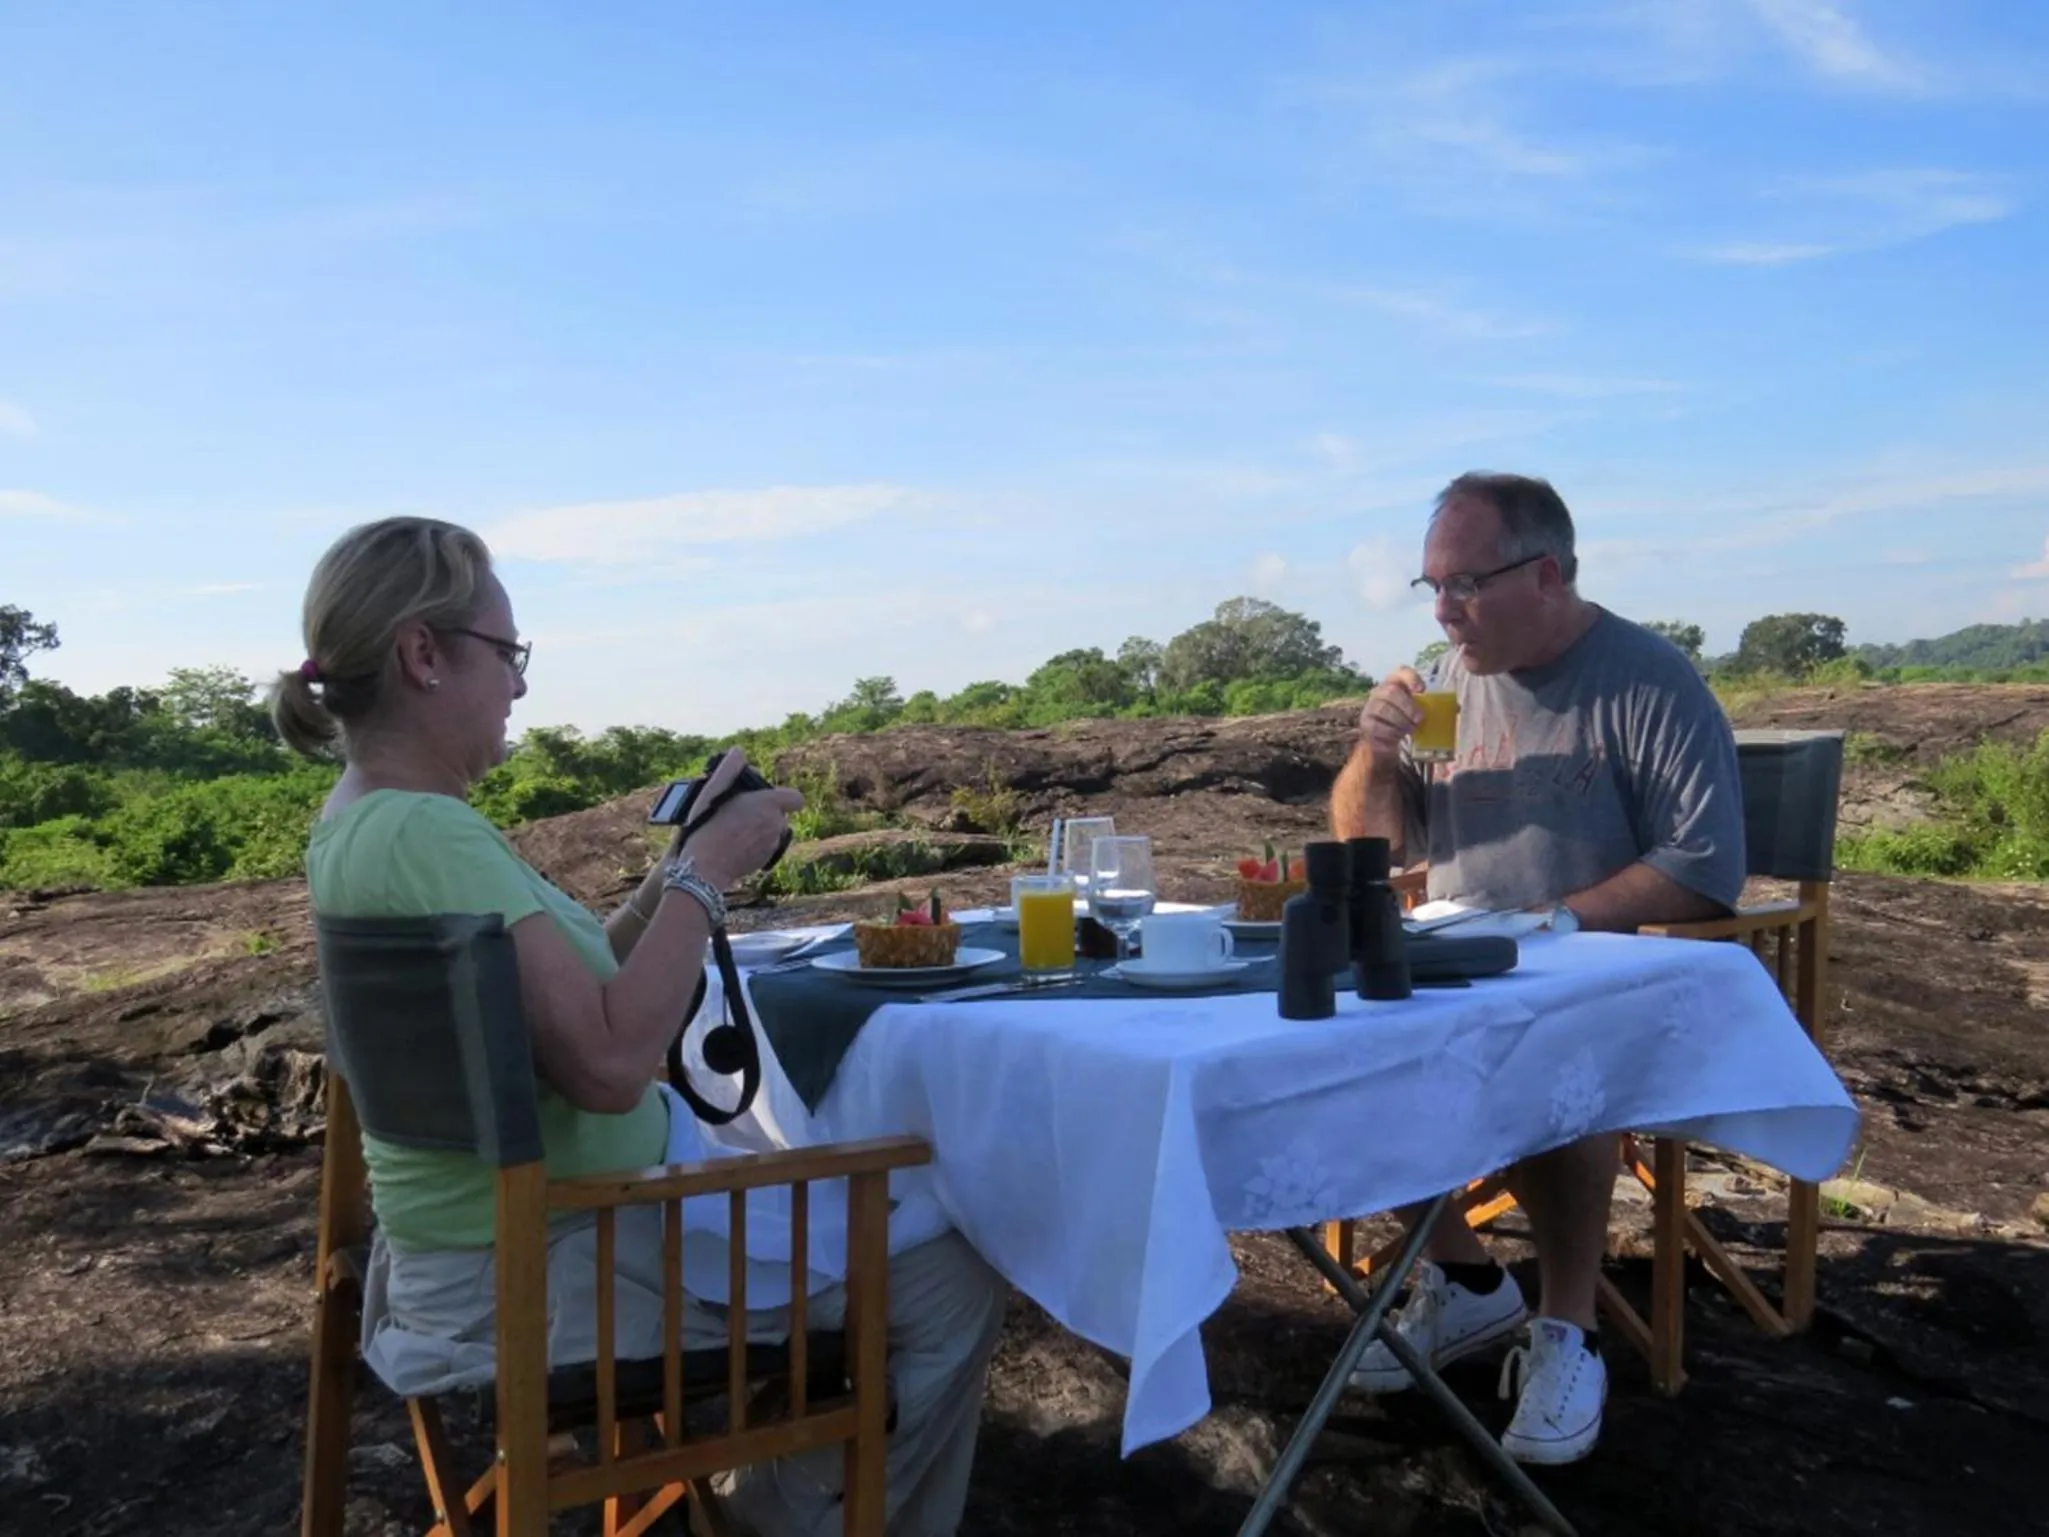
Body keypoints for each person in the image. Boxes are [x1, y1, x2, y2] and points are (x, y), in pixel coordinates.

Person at [276, 515, 1008, 1536]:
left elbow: (578, 995)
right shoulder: (425, 829)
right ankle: (783, 1519)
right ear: (423, 654)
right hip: (545, 1269)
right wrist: (710, 877)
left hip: (481, 1245)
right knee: (950, 1266)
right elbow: (614, 1062)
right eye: (508, 654)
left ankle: (782, 1495)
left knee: (876, 1232)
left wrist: (675, 872)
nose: (521, 687)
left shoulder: (363, 820)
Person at [1327, 472, 1745, 1466]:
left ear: (1547, 572)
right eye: (1430, 585)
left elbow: (1704, 865)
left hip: (1600, 971)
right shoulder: (1447, 682)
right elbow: (1373, 851)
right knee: (1321, 1038)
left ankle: (1568, 1330)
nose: (1442, 610)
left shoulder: (1648, 680)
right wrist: (1375, 753)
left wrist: (1557, 921)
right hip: (1461, 960)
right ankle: (1469, 1282)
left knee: (1564, 1047)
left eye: (1464, 583)